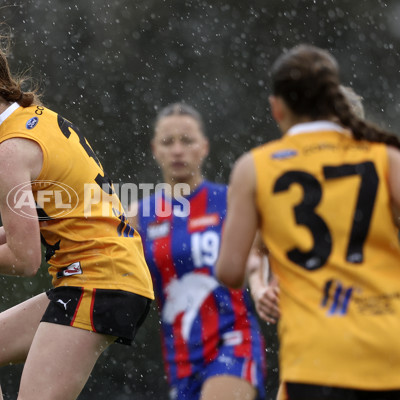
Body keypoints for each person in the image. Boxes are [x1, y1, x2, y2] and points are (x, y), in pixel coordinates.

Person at [0, 23, 154, 400]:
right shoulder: (36, 118)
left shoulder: (8, 153)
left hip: (98, 280)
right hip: (104, 277)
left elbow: (25, 258)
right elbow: (64, 210)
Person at [216, 44, 400, 400]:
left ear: (277, 108)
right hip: (387, 350)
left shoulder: (257, 168)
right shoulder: (385, 159)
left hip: (316, 356)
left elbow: (229, 269)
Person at [129, 103, 266, 400]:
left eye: (187, 141)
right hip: (180, 354)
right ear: (155, 149)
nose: (177, 150)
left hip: (234, 339)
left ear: (204, 147)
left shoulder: (231, 202)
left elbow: (264, 254)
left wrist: (263, 285)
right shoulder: (139, 216)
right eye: (168, 142)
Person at [247, 85, 366, 325]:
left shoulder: (379, 177)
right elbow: (255, 251)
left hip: (368, 318)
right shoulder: (285, 183)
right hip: (305, 324)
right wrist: (260, 289)